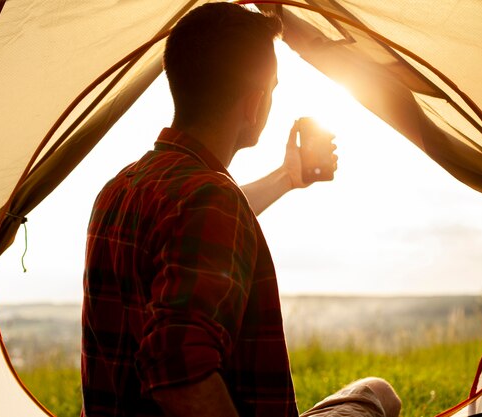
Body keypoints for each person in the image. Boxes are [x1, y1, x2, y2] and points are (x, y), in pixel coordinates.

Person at [81, 3, 400, 417]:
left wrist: (287, 177)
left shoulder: (120, 188)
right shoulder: (209, 199)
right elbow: (179, 372)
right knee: (379, 395)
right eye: (273, 89)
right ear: (254, 103)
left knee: (377, 391)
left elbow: (190, 229)